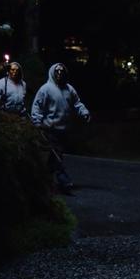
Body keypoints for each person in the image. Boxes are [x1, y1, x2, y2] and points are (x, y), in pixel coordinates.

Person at [31, 63, 91, 192]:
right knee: (56, 154)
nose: (59, 74)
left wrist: (84, 112)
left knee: (54, 156)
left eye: (62, 72)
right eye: (57, 72)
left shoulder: (69, 89)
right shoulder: (45, 89)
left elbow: (77, 103)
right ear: (53, 73)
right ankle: (64, 180)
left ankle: (44, 180)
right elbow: (37, 106)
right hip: (49, 129)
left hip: (63, 129)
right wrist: (36, 121)